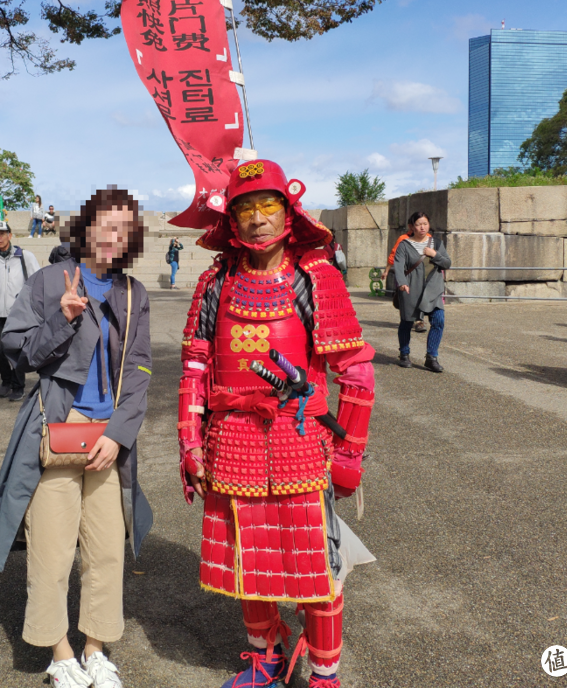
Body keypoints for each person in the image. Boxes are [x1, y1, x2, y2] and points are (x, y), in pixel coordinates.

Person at [178, 160, 376, 688]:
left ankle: (324, 675)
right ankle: (266, 657)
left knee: (318, 570)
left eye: (268, 206)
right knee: (247, 562)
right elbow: (196, 366)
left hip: (301, 440)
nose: (257, 219)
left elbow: (355, 371)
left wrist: (351, 454)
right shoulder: (213, 281)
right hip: (232, 440)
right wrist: (189, 445)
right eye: (245, 208)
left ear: (288, 213)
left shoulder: (317, 278)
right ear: (232, 221)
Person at [0, 187, 153, 688]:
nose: (112, 235)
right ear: (86, 227)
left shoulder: (133, 293)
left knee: (105, 551)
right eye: (105, 223)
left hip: (108, 439)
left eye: (123, 228)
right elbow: (18, 353)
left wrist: (120, 436)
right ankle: (60, 654)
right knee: (52, 550)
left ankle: (95, 648)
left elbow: (140, 368)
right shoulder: (47, 280)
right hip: (59, 429)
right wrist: (65, 316)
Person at [0, 221, 41, 400]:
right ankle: (6, 380)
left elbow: (38, 281)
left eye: (2, 234)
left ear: (10, 236)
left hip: (19, 314)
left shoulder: (24, 256)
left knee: (17, 352)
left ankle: (18, 386)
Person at [393, 212, 450, 372]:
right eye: (418, 224)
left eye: (425, 223)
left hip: (433, 290)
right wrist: (402, 283)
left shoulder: (437, 243)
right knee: (407, 322)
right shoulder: (404, 245)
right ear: (412, 227)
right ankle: (404, 354)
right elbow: (398, 265)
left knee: (438, 321)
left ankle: (431, 357)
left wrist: (435, 255)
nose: (422, 227)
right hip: (411, 289)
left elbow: (447, 263)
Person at [383, 231, 426, 333]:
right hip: (406, 275)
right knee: (405, 299)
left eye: (425, 223)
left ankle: (419, 321)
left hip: (422, 275)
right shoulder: (403, 239)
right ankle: (407, 319)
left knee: (420, 298)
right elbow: (394, 255)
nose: (421, 227)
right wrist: (387, 270)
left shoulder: (429, 239)